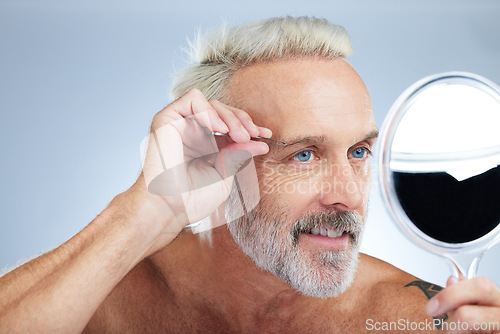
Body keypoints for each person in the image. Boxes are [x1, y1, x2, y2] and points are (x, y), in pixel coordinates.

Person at [1, 16, 499, 334]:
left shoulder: (412, 320)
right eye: (304, 155)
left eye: (359, 151)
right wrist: (148, 208)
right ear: (220, 161)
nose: (348, 195)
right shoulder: (98, 304)